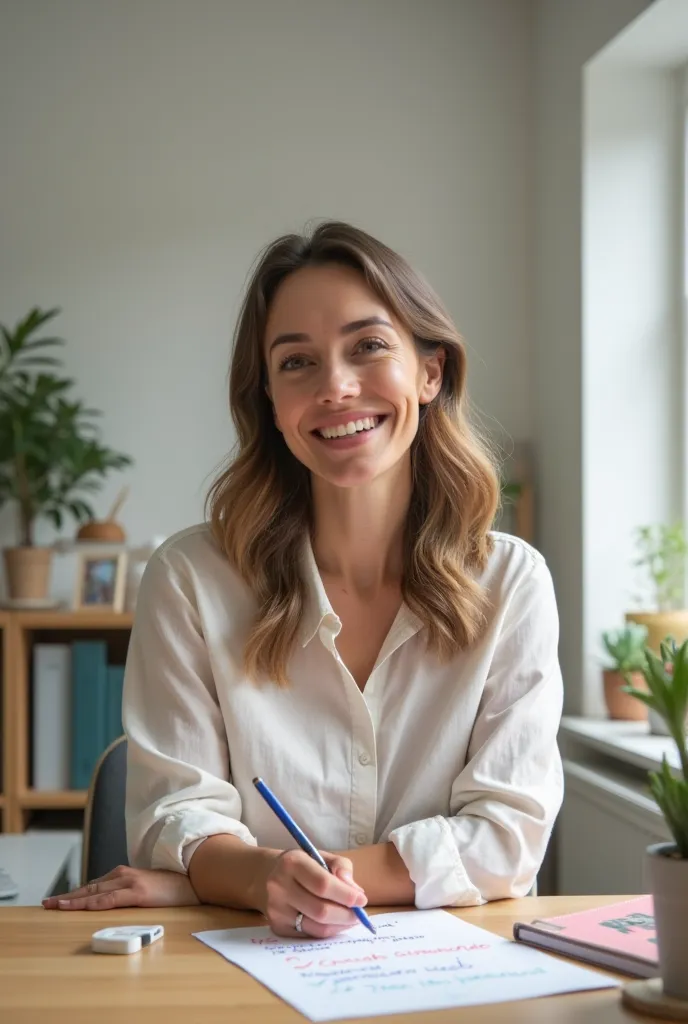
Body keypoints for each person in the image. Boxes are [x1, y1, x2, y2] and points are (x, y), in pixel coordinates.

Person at [44, 221, 564, 937]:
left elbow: (508, 836)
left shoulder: (512, 582)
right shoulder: (191, 579)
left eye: (369, 346)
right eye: (297, 363)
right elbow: (178, 814)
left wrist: (236, 884)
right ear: (270, 401)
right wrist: (253, 882)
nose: (337, 387)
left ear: (431, 370)